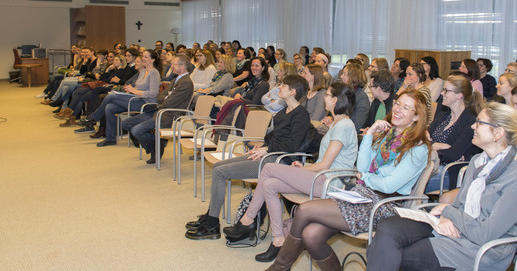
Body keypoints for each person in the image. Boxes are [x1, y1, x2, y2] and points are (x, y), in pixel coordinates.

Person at [265, 89, 431, 271]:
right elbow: (361, 168)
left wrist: (367, 178)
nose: (398, 109)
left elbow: (388, 185)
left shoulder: (418, 148)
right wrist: (369, 135)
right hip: (361, 194)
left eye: (406, 108)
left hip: (384, 206)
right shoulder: (387, 136)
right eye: (398, 103)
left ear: (416, 117)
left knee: (304, 210)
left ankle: (279, 268)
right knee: (311, 235)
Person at [366, 102, 517, 271]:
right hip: (458, 229)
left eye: (479, 123)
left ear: (498, 133)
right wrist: (447, 217)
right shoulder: (478, 162)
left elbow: (486, 233)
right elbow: (460, 206)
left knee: (389, 252)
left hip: (479, 250)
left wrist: (448, 211)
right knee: (388, 228)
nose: (473, 127)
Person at [223, 82, 359, 262]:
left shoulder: (344, 125)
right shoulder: (337, 123)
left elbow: (325, 164)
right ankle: (278, 239)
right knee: (269, 184)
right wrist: (304, 169)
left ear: (335, 100)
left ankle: (248, 219)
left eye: (327, 95)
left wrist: (304, 169)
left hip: (329, 182)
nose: (324, 98)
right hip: (319, 177)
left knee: (269, 167)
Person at [185, 74, 311, 240]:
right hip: (269, 154)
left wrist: (267, 150)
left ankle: (211, 224)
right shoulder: (284, 111)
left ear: (293, 91)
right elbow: (274, 137)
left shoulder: (301, 115)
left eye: (283, 86)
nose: (279, 87)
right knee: (217, 167)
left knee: (219, 172)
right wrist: (262, 146)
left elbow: (292, 146)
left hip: (277, 161)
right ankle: (211, 215)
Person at [122, 54, 194, 164]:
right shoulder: (177, 79)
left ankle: (157, 146)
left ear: (182, 67)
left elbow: (169, 102)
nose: (171, 67)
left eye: (173, 64)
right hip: (160, 111)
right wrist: (165, 98)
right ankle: (157, 145)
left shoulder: (186, 82)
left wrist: (164, 99)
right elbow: (159, 97)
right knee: (126, 123)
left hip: (170, 115)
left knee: (137, 130)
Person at [89, 50, 161, 147]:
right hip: (135, 99)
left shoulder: (154, 73)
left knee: (111, 96)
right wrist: (131, 89)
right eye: (143, 56)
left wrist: (134, 91)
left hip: (145, 103)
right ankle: (111, 139)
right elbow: (138, 87)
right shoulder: (143, 71)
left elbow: (153, 93)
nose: (143, 58)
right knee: (110, 107)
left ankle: (94, 117)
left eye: (146, 57)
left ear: (152, 60)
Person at [425, 74, 483, 192]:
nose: (442, 93)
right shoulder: (443, 116)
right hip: (430, 165)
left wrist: (431, 146)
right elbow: (423, 139)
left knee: (411, 180)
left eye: (446, 91)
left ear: (459, 96)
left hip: (448, 171)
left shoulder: (470, 122)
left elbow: (453, 154)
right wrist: (437, 146)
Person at [337, 63, 370, 133]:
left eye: (344, 74)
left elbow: (358, 126)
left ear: (352, 77)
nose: (341, 76)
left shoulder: (362, 98)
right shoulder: (342, 93)